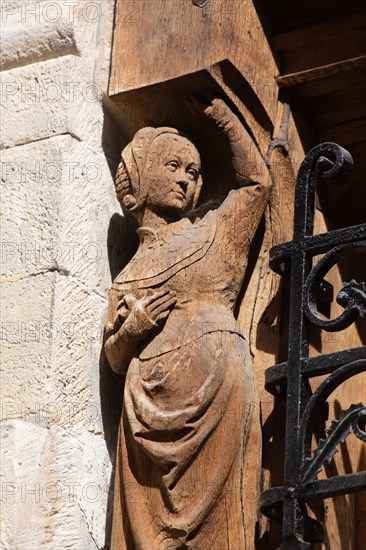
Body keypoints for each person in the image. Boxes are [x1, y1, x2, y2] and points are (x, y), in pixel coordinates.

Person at [104, 98, 272, 549]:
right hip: (146, 414)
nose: (184, 178)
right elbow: (115, 356)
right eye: (173, 166)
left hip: (218, 392)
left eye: (193, 173)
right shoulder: (129, 275)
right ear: (138, 181)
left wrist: (224, 119)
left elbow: (257, 185)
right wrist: (135, 326)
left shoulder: (214, 234)